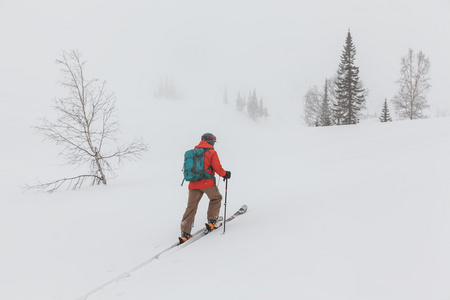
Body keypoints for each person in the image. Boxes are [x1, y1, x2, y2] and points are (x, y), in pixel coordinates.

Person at [179, 133, 231, 243]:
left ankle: (185, 232)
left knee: (191, 207)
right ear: (211, 142)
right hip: (207, 183)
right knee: (216, 198)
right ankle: (212, 221)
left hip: (193, 183)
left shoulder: (193, 152)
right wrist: (225, 174)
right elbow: (217, 167)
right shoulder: (211, 152)